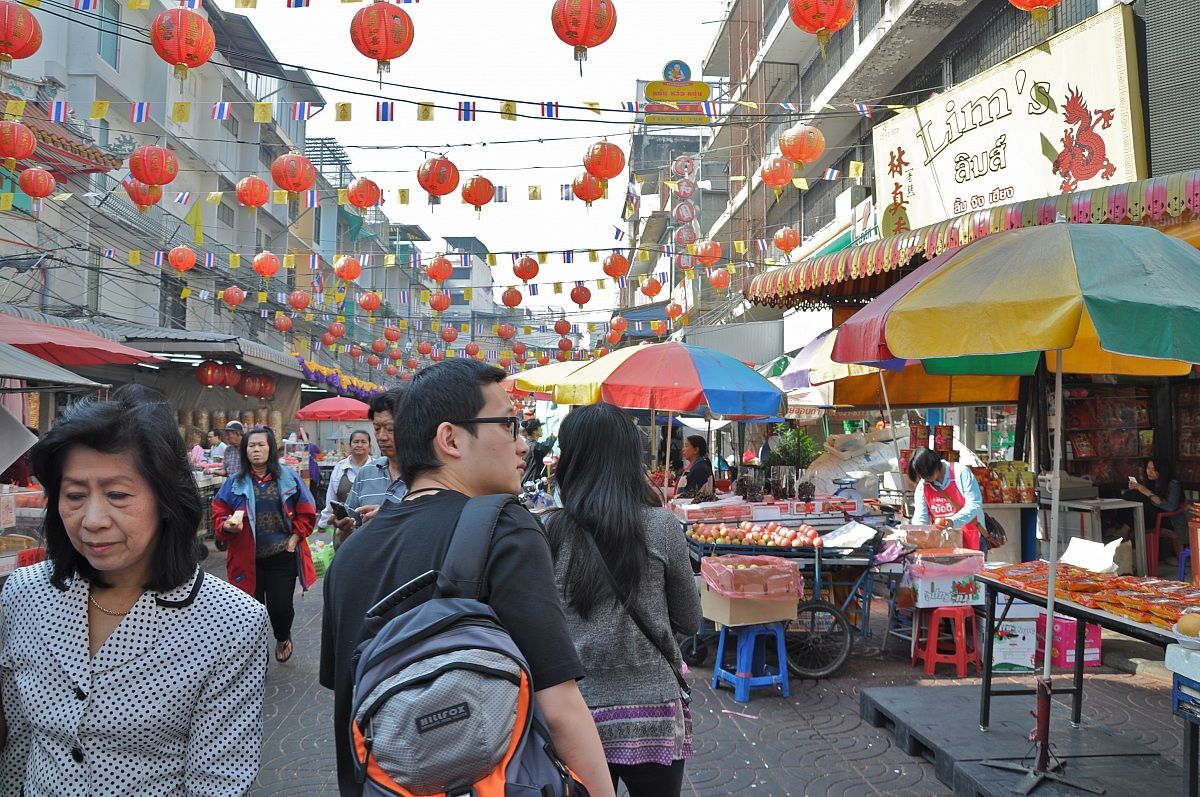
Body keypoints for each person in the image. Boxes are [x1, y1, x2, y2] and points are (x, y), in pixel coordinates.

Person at [321, 359, 615, 797]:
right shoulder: (504, 529)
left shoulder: (350, 555)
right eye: (509, 425)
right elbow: (560, 707)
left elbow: (348, 703)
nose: (522, 446)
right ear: (451, 438)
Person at [1, 385, 269, 795]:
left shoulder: (231, 623)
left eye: (117, 495)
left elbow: (217, 781)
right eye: (74, 495)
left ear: (165, 499)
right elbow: (20, 744)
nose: (92, 519)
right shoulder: (23, 595)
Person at [544, 403, 702, 796]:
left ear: (571, 459)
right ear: (632, 458)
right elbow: (690, 620)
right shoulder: (662, 526)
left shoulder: (549, 531)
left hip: (575, 713)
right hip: (653, 712)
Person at [212, 426, 317, 663]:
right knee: (250, 611)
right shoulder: (234, 483)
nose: (256, 449)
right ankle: (258, 658)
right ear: (245, 450)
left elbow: (307, 512)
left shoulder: (289, 478)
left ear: (270, 448)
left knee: (280, 608)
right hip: (246, 559)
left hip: (282, 555)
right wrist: (226, 525)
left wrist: (294, 539)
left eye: (261, 445)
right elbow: (219, 512)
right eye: (251, 445)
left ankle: (282, 636)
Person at [332, 388, 406, 546]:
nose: (381, 437)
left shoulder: (427, 475)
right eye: (377, 429)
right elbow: (345, 536)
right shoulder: (366, 473)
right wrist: (345, 530)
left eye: (390, 429)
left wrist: (389, 518)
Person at [908, 446, 986, 549]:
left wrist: (952, 521)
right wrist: (917, 535)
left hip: (973, 538)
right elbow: (920, 517)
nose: (926, 478)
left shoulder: (961, 472)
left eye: (927, 474)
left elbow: (974, 504)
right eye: (922, 476)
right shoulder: (923, 486)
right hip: (944, 543)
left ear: (935, 464)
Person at [1125, 458, 1189, 550]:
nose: (1150, 472)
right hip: (1153, 517)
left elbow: (1170, 507)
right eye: (1148, 468)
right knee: (1131, 495)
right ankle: (1125, 529)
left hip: (1168, 520)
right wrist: (1137, 489)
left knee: (1140, 501)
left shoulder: (1173, 483)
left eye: (1153, 469)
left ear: (1161, 470)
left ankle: (1125, 530)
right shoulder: (1152, 482)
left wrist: (1146, 491)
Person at [317, 429, 372, 528]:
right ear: (350, 446)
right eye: (355, 442)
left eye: (363, 442)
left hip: (370, 524)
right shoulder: (340, 467)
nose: (359, 445)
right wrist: (323, 523)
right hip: (343, 525)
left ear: (370, 447)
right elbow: (331, 497)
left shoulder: (377, 467)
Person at [522, 418, 554, 484]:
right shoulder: (533, 446)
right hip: (532, 483)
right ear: (534, 431)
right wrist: (553, 438)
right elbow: (542, 448)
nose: (542, 429)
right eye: (540, 428)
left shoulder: (527, 443)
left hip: (528, 481)